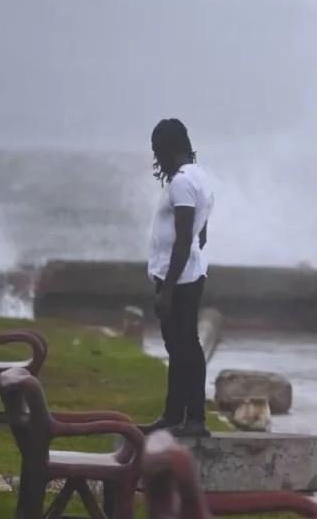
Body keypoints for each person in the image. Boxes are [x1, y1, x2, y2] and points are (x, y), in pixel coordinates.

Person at [140, 118, 215, 438]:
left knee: (185, 346)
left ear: (168, 149)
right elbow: (202, 232)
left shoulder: (182, 182)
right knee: (180, 346)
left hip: (179, 278)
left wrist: (167, 290)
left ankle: (193, 418)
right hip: (188, 273)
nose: (156, 158)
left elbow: (185, 238)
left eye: (157, 151)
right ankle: (174, 416)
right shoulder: (200, 176)